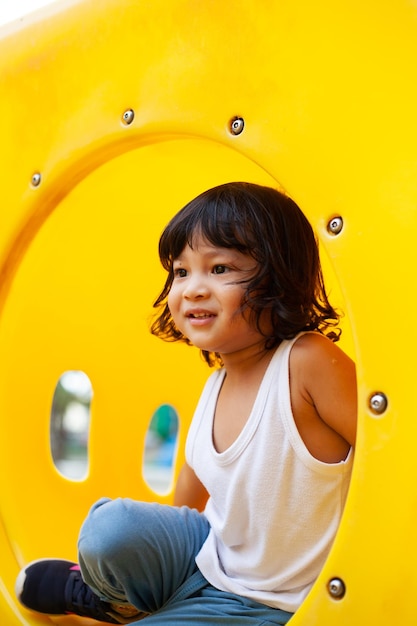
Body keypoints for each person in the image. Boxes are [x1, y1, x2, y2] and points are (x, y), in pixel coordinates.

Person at [15, 182, 357, 625]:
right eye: (181, 271)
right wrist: (155, 560)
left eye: (219, 268)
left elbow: (389, 451)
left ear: (279, 278)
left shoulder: (306, 362)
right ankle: (125, 598)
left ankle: (155, 609)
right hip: (210, 553)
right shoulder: (218, 380)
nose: (193, 289)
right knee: (110, 528)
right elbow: (198, 477)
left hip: (270, 601)